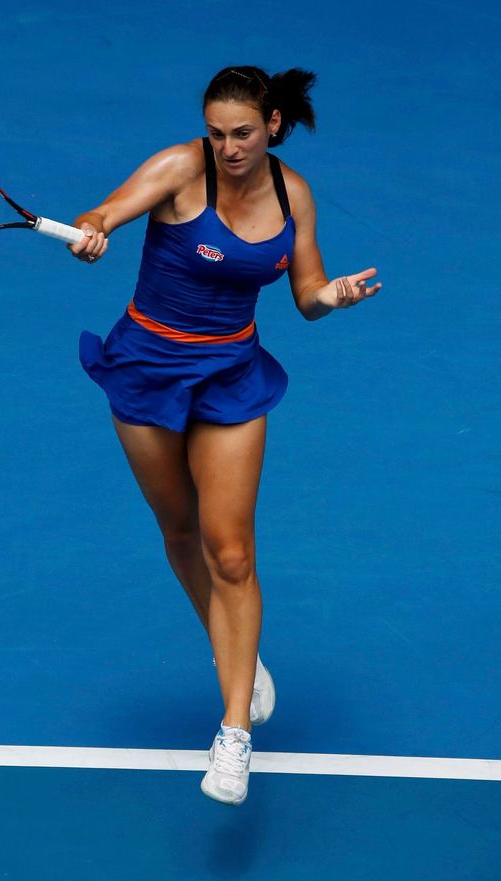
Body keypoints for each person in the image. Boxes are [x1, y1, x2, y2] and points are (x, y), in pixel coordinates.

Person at [69, 65, 381, 805]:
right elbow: (106, 213)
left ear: (272, 125)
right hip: (146, 365)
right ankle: (238, 647)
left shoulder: (291, 193)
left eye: (241, 132)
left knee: (231, 550)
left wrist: (330, 297)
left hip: (230, 376)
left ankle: (233, 732)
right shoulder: (181, 169)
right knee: (179, 529)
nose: (228, 146)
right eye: (217, 132)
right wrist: (92, 232)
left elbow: (305, 293)